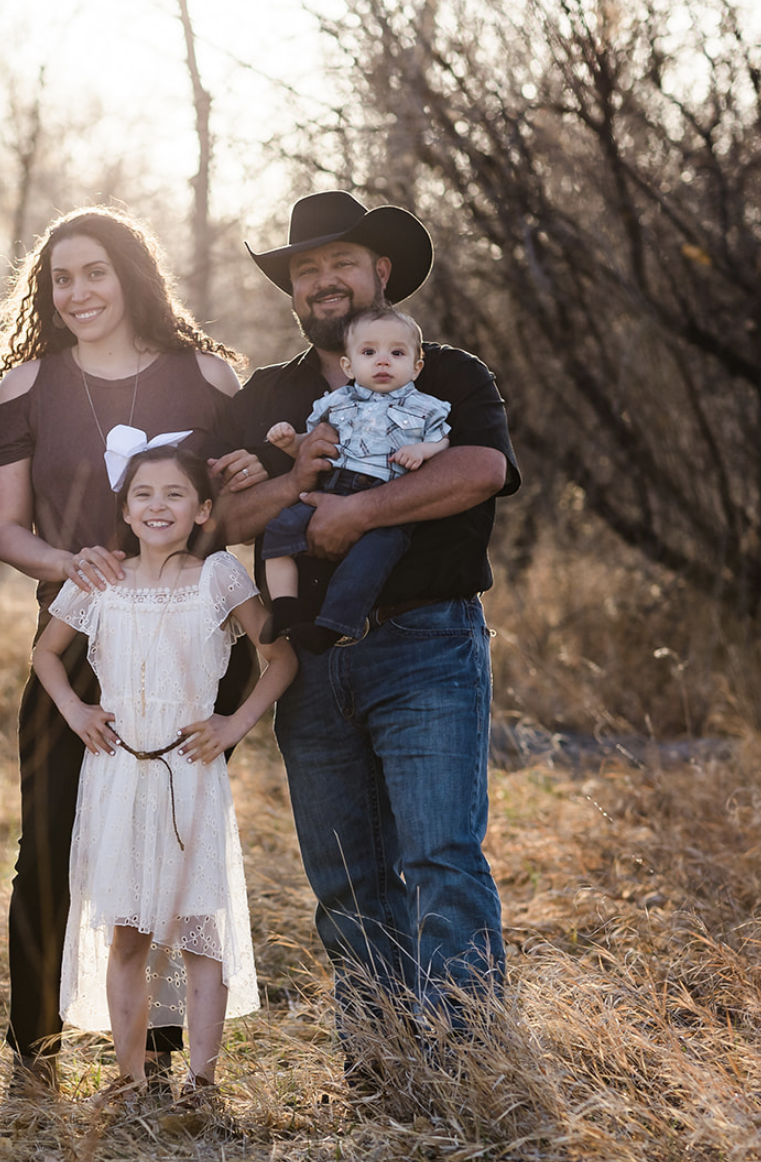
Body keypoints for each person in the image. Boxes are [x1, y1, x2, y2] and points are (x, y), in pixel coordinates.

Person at [215, 192, 521, 1076]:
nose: (322, 281)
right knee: (346, 879)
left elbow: (480, 469)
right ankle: (381, 1061)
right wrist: (291, 483)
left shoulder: (445, 370)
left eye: (339, 263)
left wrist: (357, 517)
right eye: (305, 270)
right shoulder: (269, 395)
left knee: (438, 859)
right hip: (305, 659)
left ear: (379, 273)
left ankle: (469, 1064)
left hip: (426, 643)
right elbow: (211, 510)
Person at [0, 206, 267, 1093]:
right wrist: (75, 564)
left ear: (132, 275)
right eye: (60, 279)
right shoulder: (26, 385)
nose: (77, 293)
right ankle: (37, 1045)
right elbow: (4, 527)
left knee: (177, 846)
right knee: (52, 844)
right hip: (82, 637)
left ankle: (168, 1058)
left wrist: (261, 469)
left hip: (193, 639)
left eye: (94, 272)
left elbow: (246, 502)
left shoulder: (210, 376)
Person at [31, 446, 296, 1109]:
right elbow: (45, 654)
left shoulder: (218, 577)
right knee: (127, 930)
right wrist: (76, 709)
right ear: (125, 509)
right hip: (117, 773)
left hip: (190, 771)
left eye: (175, 494)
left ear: (202, 509)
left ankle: (202, 1083)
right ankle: (131, 1079)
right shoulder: (101, 578)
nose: (158, 506)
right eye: (143, 494)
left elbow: (281, 658)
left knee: (199, 928)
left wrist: (233, 725)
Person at [260, 305, 451, 653]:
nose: (382, 361)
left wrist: (423, 451)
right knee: (279, 530)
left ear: (416, 367)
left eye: (396, 353)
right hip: (332, 489)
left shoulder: (425, 407)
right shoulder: (336, 403)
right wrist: (291, 443)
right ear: (348, 365)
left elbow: (443, 440)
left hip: (387, 502)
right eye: (368, 352)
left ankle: (332, 627)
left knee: (367, 562)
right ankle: (285, 606)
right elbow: (311, 446)